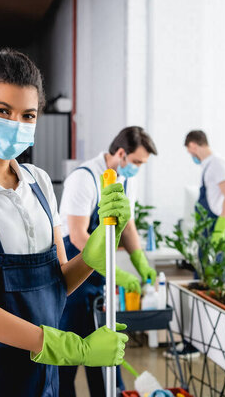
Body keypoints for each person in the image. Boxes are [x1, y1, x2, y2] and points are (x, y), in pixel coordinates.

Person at [0, 49, 130, 397]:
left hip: (39, 373)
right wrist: (73, 349)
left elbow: (57, 284)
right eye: (3, 111)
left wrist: (93, 255)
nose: (16, 124)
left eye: (28, 115)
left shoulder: (39, 182)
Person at [58, 126, 158, 397]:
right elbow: (79, 236)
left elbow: (128, 226)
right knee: (67, 357)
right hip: (74, 277)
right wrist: (114, 272)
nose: (138, 168)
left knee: (105, 356)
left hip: (99, 280)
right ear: (121, 153)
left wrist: (141, 264)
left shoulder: (127, 181)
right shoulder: (84, 178)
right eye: (136, 162)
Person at [184, 130, 225, 242]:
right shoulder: (208, 166)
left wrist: (220, 229)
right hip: (207, 225)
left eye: (190, 152)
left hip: (216, 224)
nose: (191, 156)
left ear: (193, 145)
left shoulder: (218, 164)